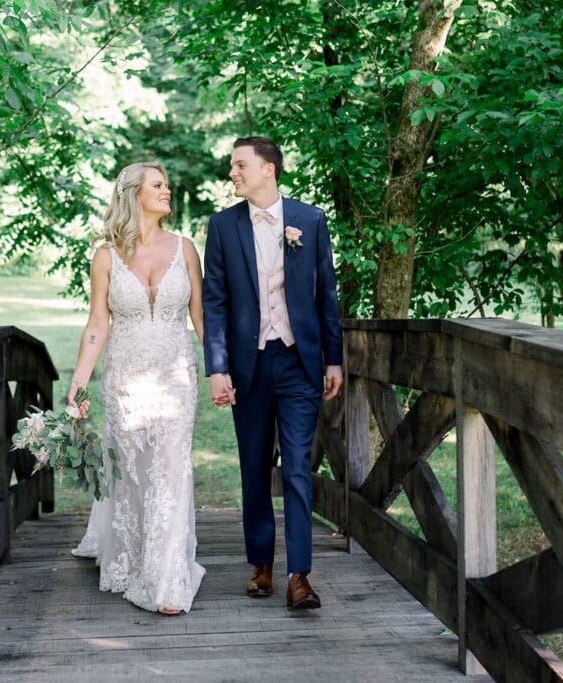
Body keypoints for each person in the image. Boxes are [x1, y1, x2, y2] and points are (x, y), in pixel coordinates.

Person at [202, 136, 343, 610]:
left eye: (240, 165)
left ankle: (299, 575)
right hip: (249, 364)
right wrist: (218, 368)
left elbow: (327, 296)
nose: (233, 174)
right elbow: (215, 302)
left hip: (299, 361)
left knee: (299, 468)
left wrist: (334, 358)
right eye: (232, 166)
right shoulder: (223, 227)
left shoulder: (310, 220)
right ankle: (261, 562)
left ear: (268, 169)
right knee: (255, 466)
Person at [67, 162, 206, 616]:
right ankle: (128, 556)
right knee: (131, 470)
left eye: (168, 183)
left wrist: (223, 370)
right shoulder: (105, 256)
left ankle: (166, 579)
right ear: (133, 193)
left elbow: (201, 319)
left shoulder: (186, 249)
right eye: (158, 185)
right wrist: (79, 382)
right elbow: (97, 324)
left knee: (170, 466)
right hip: (126, 380)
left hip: (175, 377)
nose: (168, 190)